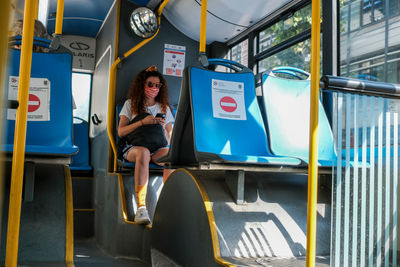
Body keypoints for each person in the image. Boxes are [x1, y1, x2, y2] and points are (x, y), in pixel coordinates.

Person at [118, 65, 174, 225]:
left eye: (158, 85)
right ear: (142, 85)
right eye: (150, 84)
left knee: (170, 157)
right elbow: (121, 132)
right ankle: (141, 208)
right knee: (143, 153)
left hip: (156, 146)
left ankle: (168, 203)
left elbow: (169, 134)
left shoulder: (164, 107)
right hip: (134, 147)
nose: (154, 88)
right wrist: (143, 122)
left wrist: (162, 130)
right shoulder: (131, 104)